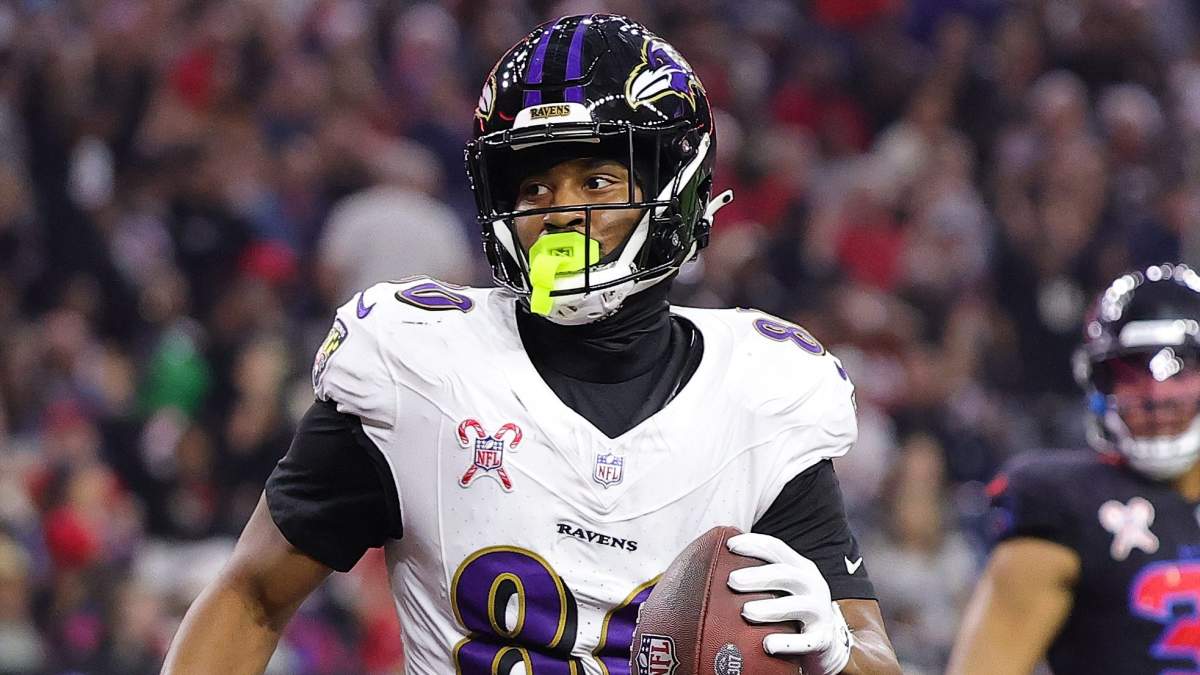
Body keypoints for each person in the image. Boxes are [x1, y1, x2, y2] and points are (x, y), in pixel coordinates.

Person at [163, 15, 900, 675]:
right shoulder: (420, 365)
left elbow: (872, 653)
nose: (560, 212)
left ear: (676, 189)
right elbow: (252, 597)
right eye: (535, 187)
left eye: (597, 179)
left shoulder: (760, 397)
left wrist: (836, 653)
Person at [949, 263, 1200, 675]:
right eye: (1132, 372)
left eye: (1180, 369)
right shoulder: (1064, 503)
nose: (1156, 395)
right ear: (1098, 381)